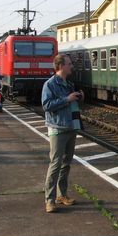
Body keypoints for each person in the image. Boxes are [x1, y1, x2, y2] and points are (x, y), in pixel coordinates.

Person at [42, 54, 84, 213]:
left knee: (66, 163)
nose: (71, 66)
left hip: (71, 126)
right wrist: (67, 99)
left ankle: (62, 195)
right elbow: (46, 105)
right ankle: (49, 200)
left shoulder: (69, 83)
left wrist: (78, 98)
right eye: (69, 63)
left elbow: (71, 101)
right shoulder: (50, 84)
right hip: (58, 128)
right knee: (55, 164)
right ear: (61, 66)